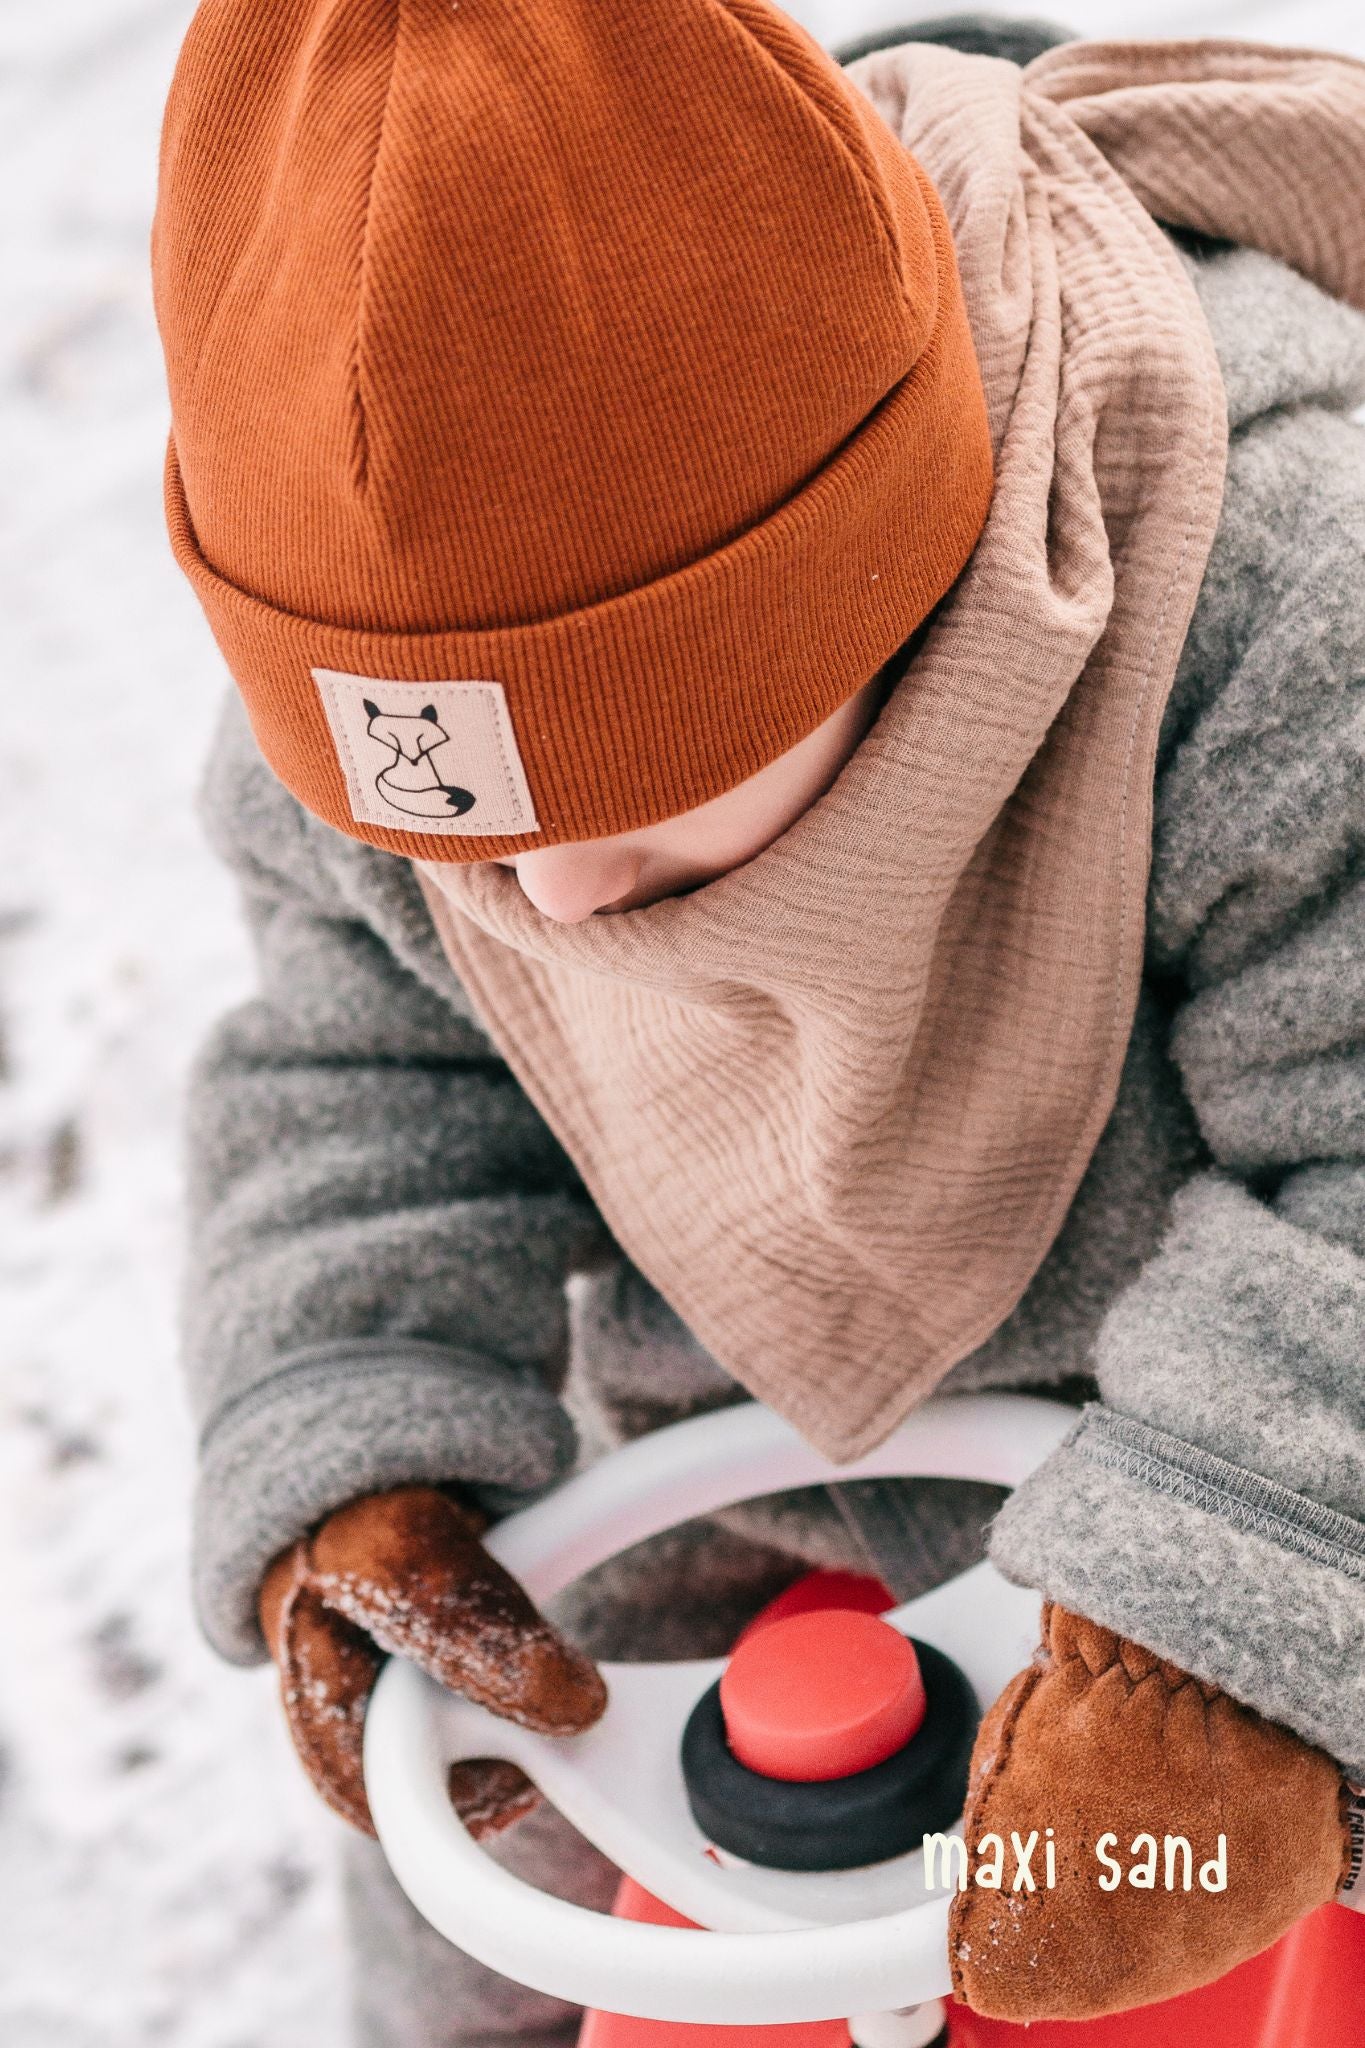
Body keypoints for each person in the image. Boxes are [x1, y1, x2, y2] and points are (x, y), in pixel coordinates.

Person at [150, 6, 1365, 2042]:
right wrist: (352, 1441)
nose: (543, 906)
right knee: (490, 1857)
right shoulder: (408, 715)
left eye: (619, 808)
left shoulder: (1250, 607)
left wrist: (1241, 1590)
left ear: (872, 592)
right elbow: (358, 1075)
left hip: (1251, 1428)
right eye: (468, 852)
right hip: (715, 1446)